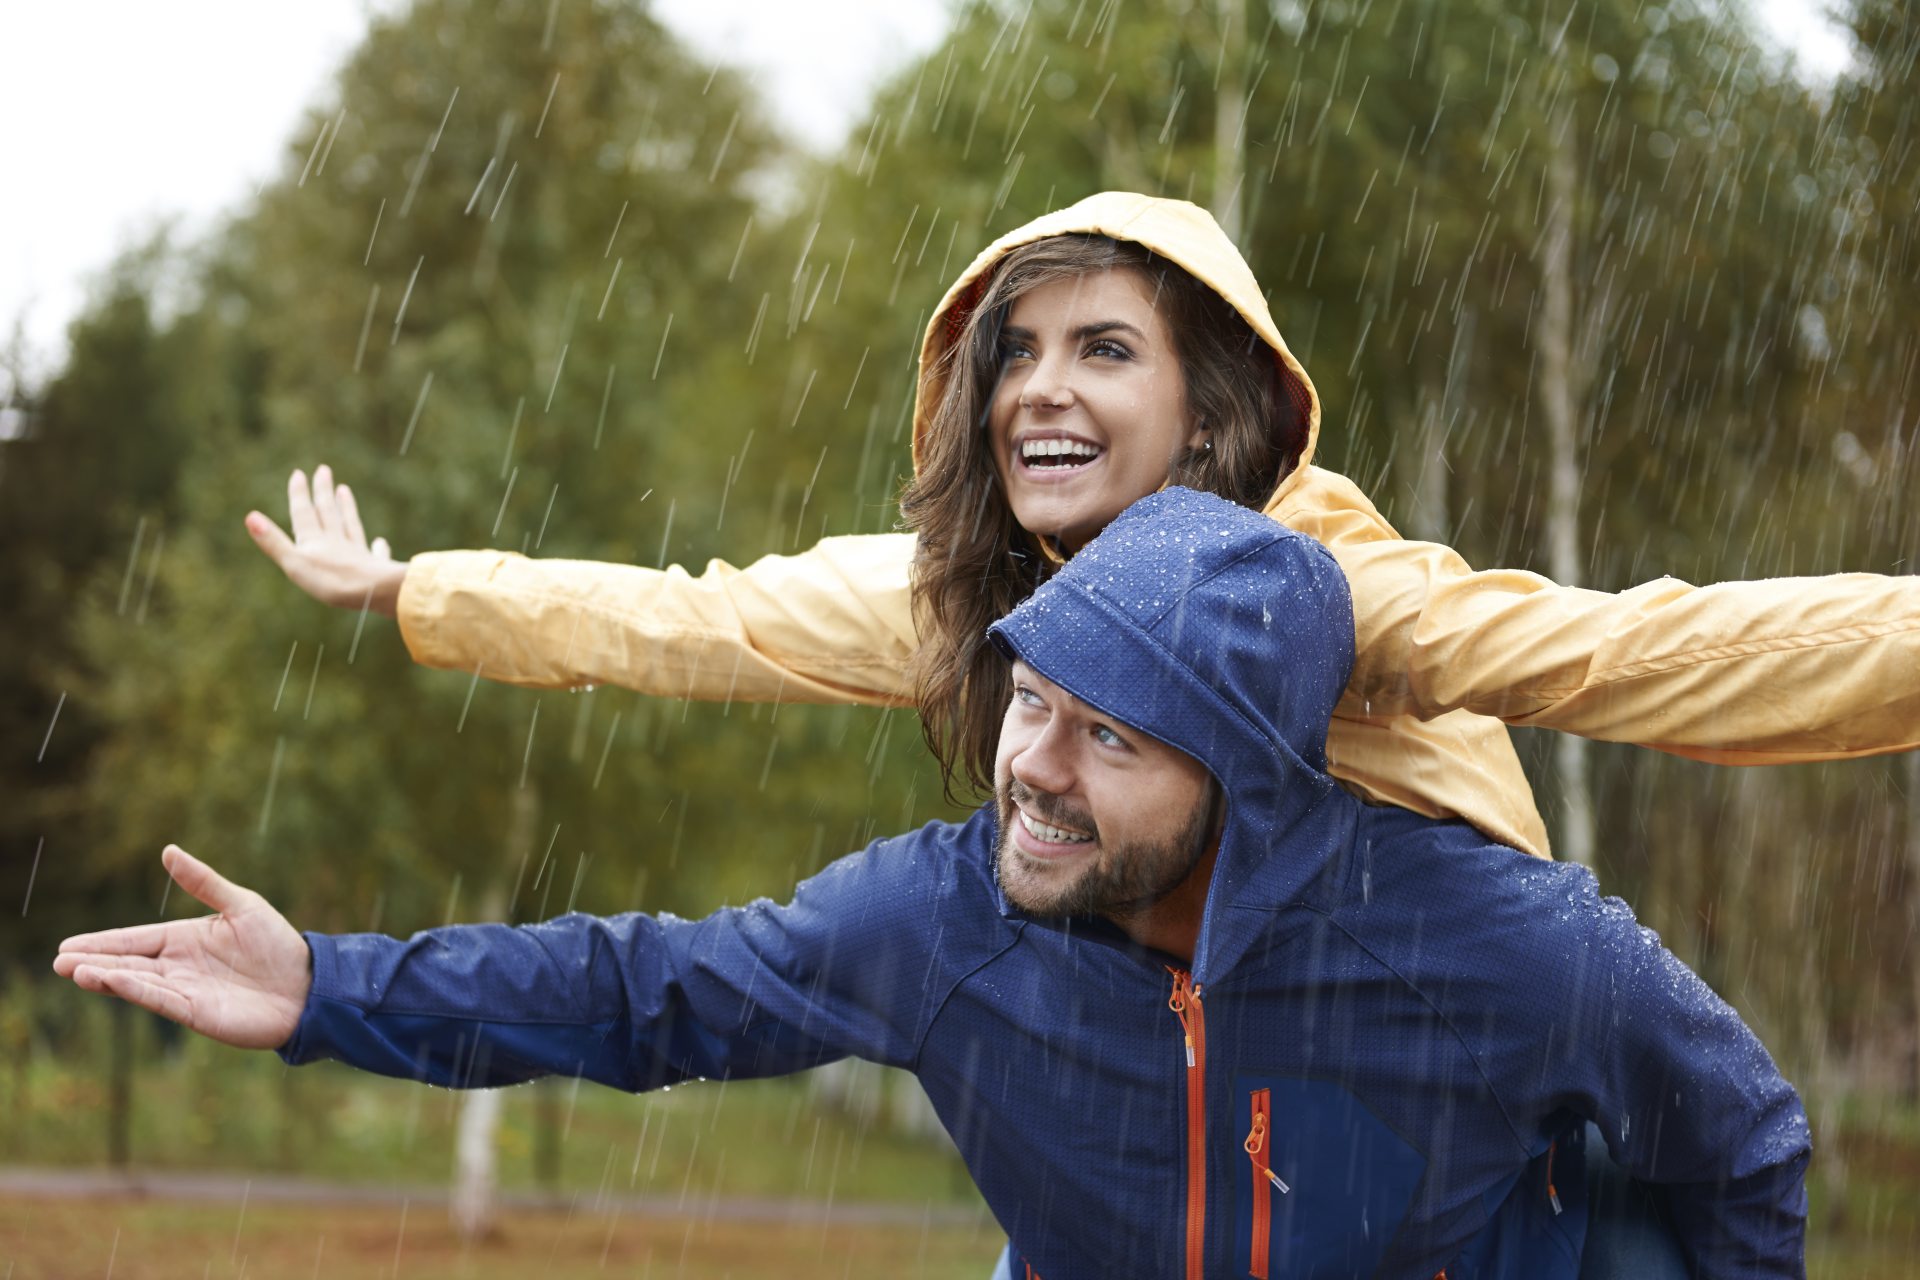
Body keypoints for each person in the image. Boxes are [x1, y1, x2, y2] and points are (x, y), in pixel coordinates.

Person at [62, 489, 1808, 1280]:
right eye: (1033, 702)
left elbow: (1743, 1144)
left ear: (1251, 787)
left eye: (1112, 740)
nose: (1036, 767)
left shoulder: (1499, 942)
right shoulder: (943, 920)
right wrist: (332, 991)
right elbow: (645, 988)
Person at [245, 192, 1920, 864]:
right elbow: (695, 615)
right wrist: (417, 585)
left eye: (1104, 349)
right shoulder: (973, 598)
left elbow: (1640, 648)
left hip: (1435, 1103)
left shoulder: (1314, 586)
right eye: (1017, 352)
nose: (1040, 389)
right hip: (1169, 1100)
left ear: (1211, 409)